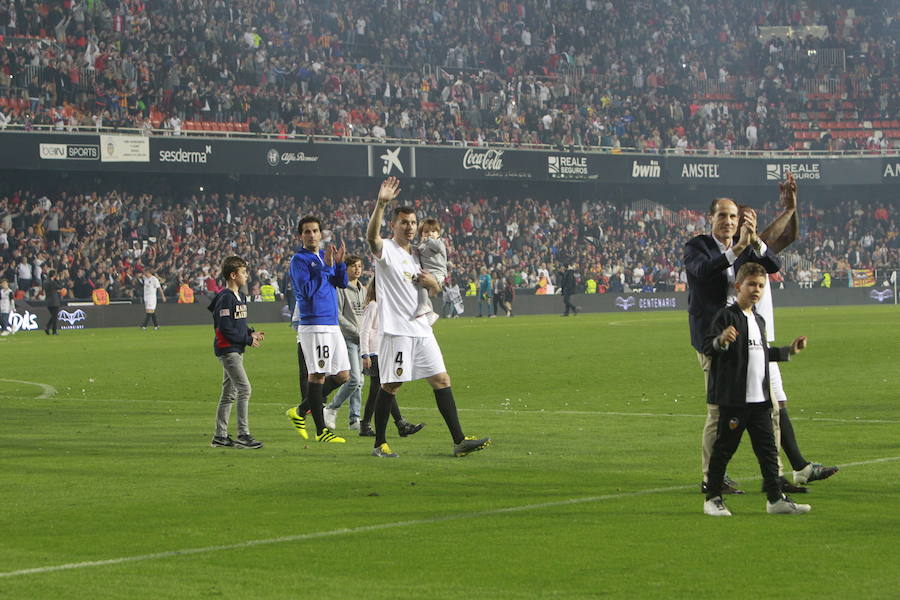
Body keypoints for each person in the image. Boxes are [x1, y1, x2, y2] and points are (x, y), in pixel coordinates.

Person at [365, 177, 490, 458]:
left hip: (421, 328)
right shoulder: (386, 250)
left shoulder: (418, 256)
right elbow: (371, 237)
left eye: (412, 222)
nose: (409, 227)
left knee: (442, 379)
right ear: (394, 225)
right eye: (403, 222)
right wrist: (381, 204)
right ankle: (379, 444)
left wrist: (432, 283)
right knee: (391, 385)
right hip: (397, 331)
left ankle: (459, 440)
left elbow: (434, 288)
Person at [742, 174, 839, 489]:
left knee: (774, 407)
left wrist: (793, 208)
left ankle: (798, 467)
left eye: (750, 219)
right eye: (744, 221)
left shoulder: (761, 254)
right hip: (747, 341)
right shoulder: (738, 257)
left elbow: (789, 238)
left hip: (763, 341)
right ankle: (724, 475)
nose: (749, 225)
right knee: (746, 412)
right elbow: (765, 241)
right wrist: (785, 209)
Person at [684, 197, 780, 495]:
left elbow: (773, 265)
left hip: (746, 337)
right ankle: (710, 478)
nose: (728, 222)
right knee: (718, 411)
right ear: (710, 218)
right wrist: (738, 248)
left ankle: (773, 477)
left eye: (733, 217)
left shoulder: (746, 246)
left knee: (768, 406)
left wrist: (758, 243)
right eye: (723, 216)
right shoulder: (697, 247)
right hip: (715, 339)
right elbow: (703, 272)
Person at [702, 262, 811, 517]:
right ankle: (713, 498)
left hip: (760, 400)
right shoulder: (726, 316)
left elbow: (762, 353)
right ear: (738, 286)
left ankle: (775, 499)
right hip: (735, 400)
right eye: (751, 284)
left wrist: (788, 351)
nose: (756, 290)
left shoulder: (758, 319)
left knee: (768, 452)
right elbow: (709, 346)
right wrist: (721, 340)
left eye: (761, 286)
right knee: (723, 450)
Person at [284, 216, 349, 444]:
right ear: (301, 236)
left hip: (332, 323)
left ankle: (300, 411)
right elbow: (306, 291)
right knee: (318, 375)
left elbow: (341, 283)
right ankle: (322, 431)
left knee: (343, 375)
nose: (312, 235)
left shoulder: (324, 256)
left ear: (321, 233)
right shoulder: (299, 261)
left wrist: (339, 265)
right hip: (314, 324)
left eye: (315, 231)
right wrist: (326, 268)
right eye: (307, 231)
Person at [357, 274, 425, 438]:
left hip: (383, 351)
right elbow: (364, 330)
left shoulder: (386, 306)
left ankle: (367, 424)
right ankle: (399, 424)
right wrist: (365, 354)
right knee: (384, 387)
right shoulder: (373, 306)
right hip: (374, 353)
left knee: (379, 389)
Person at [209, 256, 265, 449]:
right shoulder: (226, 297)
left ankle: (220, 436)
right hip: (228, 350)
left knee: (229, 393)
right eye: (243, 272)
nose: (246, 275)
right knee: (244, 389)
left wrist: (250, 333)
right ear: (233, 275)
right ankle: (243, 434)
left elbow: (238, 324)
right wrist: (247, 339)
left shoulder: (239, 297)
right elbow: (225, 328)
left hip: (235, 349)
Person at [323, 255, 367, 431]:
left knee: (360, 381)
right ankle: (331, 408)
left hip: (362, 341)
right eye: (353, 266)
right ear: (346, 269)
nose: (357, 269)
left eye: (359, 266)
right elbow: (339, 316)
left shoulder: (362, 290)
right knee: (354, 379)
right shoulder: (340, 288)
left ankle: (354, 419)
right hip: (348, 339)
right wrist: (357, 332)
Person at [414, 218, 447, 325]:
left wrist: (428, 240)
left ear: (438, 234)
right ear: (421, 234)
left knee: (422, 284)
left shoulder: (439, 243)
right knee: (420, 285)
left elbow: (437, 247)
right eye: (426, 232)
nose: (430, 234)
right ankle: (430, 311)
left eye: (433, 231)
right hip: (428, 273)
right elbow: (418, 250)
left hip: (438, 273)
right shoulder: (423, 245)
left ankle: (424, 306)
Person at [43, 270, 62, 335]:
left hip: (48, 301)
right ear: (54, 275)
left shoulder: (45, 282)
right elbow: (60, 286)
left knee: (53, 316)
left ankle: (48, 328)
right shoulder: (53, 282)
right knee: (54, 316)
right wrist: (58, 280)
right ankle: (53, 330)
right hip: (54, 301)